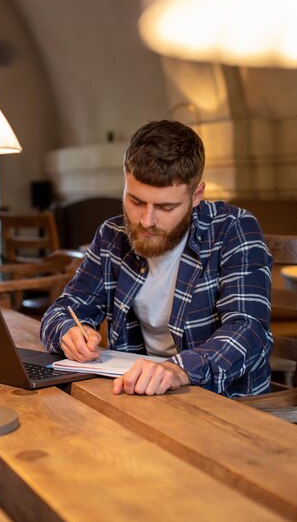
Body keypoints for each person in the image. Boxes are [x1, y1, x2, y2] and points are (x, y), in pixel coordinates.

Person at [40, 120, 273, 398]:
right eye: (136, 201)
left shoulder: (233, 229)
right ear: (125, 182)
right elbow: (64, 310)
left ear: (196, 195)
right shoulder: (112, 235)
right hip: (141, 395)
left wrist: (178, 369)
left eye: (165, 206)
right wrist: (68, 332)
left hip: (223, 401)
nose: (146, 221)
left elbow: (248, 329)